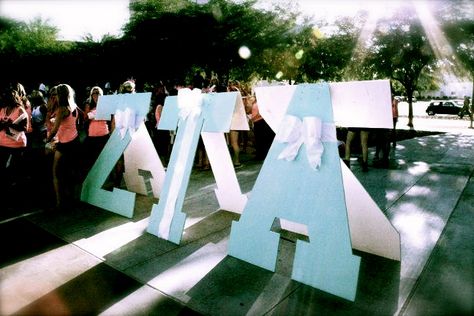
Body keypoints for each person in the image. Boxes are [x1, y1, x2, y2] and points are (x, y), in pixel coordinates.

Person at [44, 83, 81, 210]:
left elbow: (53, 131)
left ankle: (60, 203)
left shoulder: (61, 109)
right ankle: (73, 199)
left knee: (56, 173)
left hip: (64, 144)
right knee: (72, 172)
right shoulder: (74, 106)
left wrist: (46, 141)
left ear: (60, 95)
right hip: (75, 141)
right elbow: (82, 118)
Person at [0, 88, 28, 201]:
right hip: (2, 143)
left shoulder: (20, 110)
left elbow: (24, 128)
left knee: (13, 170)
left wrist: (10, 124)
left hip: (16, 144)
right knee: (3, 169)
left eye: (5, 97)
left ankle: (14, 195)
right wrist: (3, 124)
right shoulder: (2, 109)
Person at [83, 86, 109, 172]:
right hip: (92, 135)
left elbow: (108, 117)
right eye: (93, 93)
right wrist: (88, 108)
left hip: (103, 135)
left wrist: (92, 114)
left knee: (104, 159)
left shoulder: (106, 105)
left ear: (101, 94)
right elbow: (85, 118)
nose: (95, 95)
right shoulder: (89, 105)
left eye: (97, 93)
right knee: (93, 159)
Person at [246, 95, 274, 161]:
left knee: (260, 140)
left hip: (259, 123)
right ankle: (263, 154)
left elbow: (255, 115)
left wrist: (251, 119)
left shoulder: (256, 105)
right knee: (263, 140)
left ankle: (261, 155)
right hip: (263, 123)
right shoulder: (260, 104)